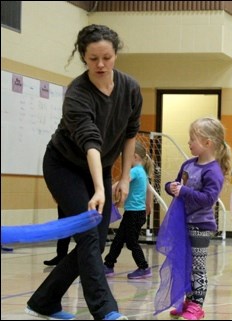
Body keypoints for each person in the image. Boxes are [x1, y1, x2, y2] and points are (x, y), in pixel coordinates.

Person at [25, 24, 143, 321]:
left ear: (116, 54)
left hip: (100, 167)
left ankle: (44, 301)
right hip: (64, 166)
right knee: (89, 237)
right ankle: (106, 311)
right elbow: (90, 142)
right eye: (93, 59)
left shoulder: (130, 88)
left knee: (98, 240)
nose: (100, 65)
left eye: (106, 57)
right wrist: (100, 189)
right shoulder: (77, 93)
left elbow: (130, 134)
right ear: (83, 57)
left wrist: (125, 177)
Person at [165, 117, 232, 320]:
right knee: (185, 265)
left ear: (207, 143)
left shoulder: (213, 172)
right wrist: (171, 187)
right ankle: (188, 300)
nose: (189, 143)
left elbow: (207, 199)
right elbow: (176, 184)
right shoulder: (188, 164)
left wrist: (183, 191)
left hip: (201, 226)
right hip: (183, 223)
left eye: (192, 139)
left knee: (198, 267)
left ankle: (197, 305)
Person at [103, 142, 154, 279]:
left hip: (134, 213)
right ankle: (108, 265)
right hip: (135, 213)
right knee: (118, 239)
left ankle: (143, 267)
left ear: (134, 156)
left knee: (131, 242)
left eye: (125, 156)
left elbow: (121, 184)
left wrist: (105, 192)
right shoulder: (142, 172)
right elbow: (149, 190)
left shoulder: (135, 171)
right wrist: (148, 205)